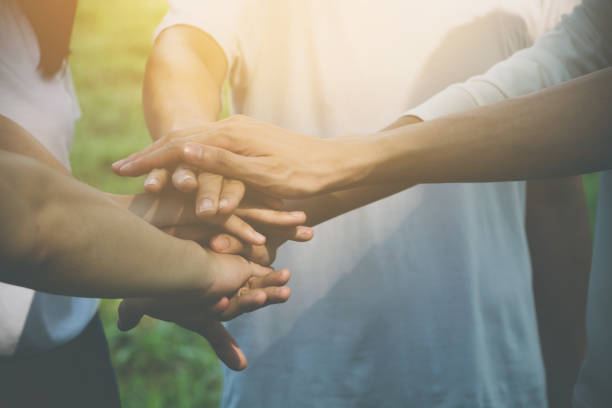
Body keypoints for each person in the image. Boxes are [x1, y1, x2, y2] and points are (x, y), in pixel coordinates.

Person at [115, 0, 612, 405]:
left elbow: (555, 152)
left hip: (483, 362)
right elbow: (189, 45)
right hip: (296, 365)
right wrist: (195, 157)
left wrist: (353, 159)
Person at [0, 0, 308, 406]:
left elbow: (37, 184)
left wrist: (169, 219)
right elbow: (30, 216)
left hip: (68, 345)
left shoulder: (31, 17)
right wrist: (204, 267)